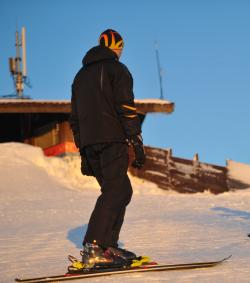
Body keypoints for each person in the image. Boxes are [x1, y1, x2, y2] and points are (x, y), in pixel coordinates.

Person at [70, 29, 146, 269]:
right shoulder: (118, 70)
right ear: (117, 47)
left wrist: (83, 150)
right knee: (116, 191)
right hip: (112, 140)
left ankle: (107, 247)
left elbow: (75, 118)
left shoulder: (80, 77)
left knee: (120, 191)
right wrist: (136, 141)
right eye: (121, 48)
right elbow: (126, 108)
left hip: (91, 145)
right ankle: (94, 247)